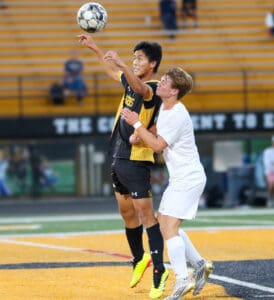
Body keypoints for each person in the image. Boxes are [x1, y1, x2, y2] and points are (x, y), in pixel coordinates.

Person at [78, 33, 168, 299]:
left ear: (152, 64)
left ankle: (159, 271)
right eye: (133, 58)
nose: (135, 61)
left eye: (139, 58)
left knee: (145, 215)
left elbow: (141, 90)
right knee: (126, 214)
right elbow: (111, 73)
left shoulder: (151, 87)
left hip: (136, 159)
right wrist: (95, 48)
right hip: (118, 156)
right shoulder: (129, 81)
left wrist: (122, 65)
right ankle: (139, 258)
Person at [122, 67, 213, 299]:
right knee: (164, 223)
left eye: (164, 82)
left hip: (188, 178)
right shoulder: (168, 107)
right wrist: (139, 135)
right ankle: (200, 265)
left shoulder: (176, 112)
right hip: (182, 177)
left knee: (168, 228)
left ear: (174, 91)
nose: (159, 84)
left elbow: (158, 146)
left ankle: (182, 279)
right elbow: (156, 130)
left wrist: (136, 125)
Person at [262, 136, 274, 207]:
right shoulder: (268, 151)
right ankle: (270, 199)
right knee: (272, 183)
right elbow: (268, 164)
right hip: (270, 172)